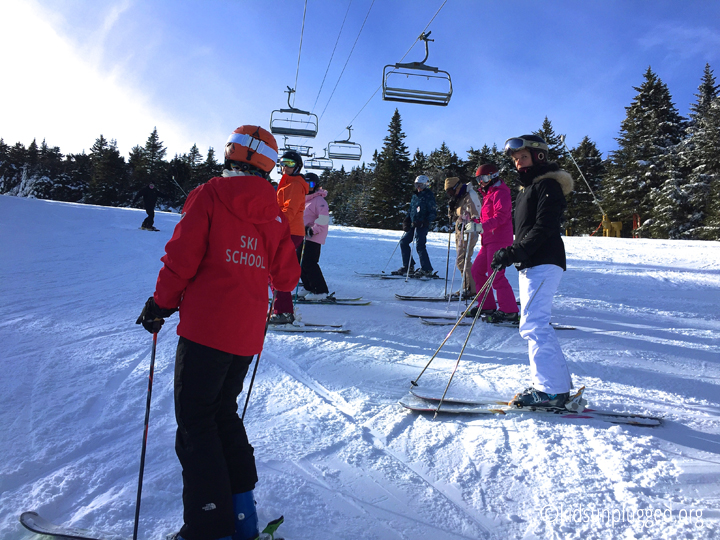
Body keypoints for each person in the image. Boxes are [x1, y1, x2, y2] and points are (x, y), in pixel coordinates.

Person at [136, 125, 300, 540]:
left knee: (196, 423)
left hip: (206, 331)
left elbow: (182, 257)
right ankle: (242, 516)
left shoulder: (210, 194)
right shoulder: (275, 209)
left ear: (231, 153)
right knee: (223, 414)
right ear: (267, 163)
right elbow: (286, 277)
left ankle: (208, 528)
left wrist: (161, 305)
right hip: (245, 337)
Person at [491, 135, 574, 409]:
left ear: (539, 156)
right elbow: (526, 231)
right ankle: (555, 387)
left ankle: (550, 391)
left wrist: (514, 252)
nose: (518, 164)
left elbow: (543, 228)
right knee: (536, 324)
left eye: (523, 157)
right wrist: (510, 253)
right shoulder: (528, 189)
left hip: (543, 260)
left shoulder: (547, 185)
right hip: (532, 262)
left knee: (534, 325)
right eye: (515, 160)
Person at [468, 163, 519, 321]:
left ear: (492, 176)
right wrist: (474, 221)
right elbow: (487, 218)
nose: (480, 182)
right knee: (477, 270)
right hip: (488, 240)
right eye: (478, 179)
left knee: (495, 274)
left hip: (499, 239)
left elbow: (501, 217)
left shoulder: (500, 193)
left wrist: (480, 226)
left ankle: (509, 310)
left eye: (482, 178)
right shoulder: (488, 194)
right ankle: (487, 305)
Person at [271, 150, 309, 323]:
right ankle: (281, 309)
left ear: (298, 167)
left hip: (289, 231)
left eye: (290, 164)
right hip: (286, 230)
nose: (285, 167)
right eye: (283, 163)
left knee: (278, 270)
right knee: (274, 269)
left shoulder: (294, 185)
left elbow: (289, 211)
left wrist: (275, 225)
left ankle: (283, 311)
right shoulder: (287, 182)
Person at [445, 176, 481, 299]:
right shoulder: (460, 197)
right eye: (448, 193)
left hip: (468, 232)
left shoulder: (470, 195)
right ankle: (467, 286)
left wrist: (471, 224)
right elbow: (458, 216)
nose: (450, 194)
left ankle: (471, 288)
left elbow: (477, 214)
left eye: (451, 191)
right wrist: (452, 210)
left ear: (457, 187)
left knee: (463, 259)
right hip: (460, 231)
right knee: (461, 260)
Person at [393, 174, 437, 277]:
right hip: (413, 224)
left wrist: (424, 222)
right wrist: (407, 220)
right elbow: (411, 210)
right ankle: (408, 266)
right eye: (416, 185)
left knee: (420, 246)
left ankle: (426, 269)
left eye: (421, 185)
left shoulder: (429, 196)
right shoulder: (415, 196)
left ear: (426, 185)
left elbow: (433, 213)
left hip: (422, 225)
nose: (418, 188)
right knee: (403, 242)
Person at [298, 172, 332, 301]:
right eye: (305, 183)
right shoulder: (304, 198)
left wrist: (313, 230)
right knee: (299, 263)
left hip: (313, 236)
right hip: (302, 235)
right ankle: (308, 287)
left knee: (309, 262)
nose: (308, 186)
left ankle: (320, 291)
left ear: (315, 185)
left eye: (310, 184)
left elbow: (323, 218)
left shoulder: (319, 200)